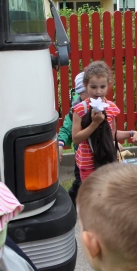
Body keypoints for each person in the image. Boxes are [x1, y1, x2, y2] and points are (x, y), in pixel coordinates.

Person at [71, 60, 137, 182]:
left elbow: (111, 134)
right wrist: (94, 124)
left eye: (102, 87)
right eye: (93, 87)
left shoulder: (111, 108)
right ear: (85, 85)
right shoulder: (80, 109)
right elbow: (76, 139)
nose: (98, 92)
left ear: (108, 85)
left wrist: (131, 133)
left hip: (106, 162)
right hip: (88, 164)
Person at [58, 72, 85, 202]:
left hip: (98, 154)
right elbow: (65, 130)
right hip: (81, 158)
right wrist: (60, 144)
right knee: (80, 183)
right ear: (80, 92)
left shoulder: (99, 106)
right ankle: (71, 203)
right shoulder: (74, 112)